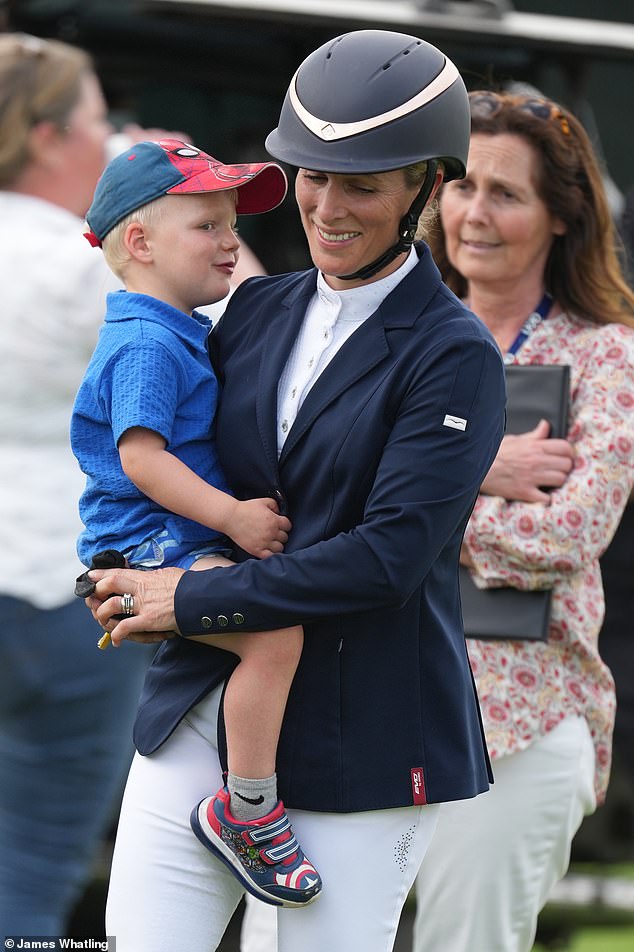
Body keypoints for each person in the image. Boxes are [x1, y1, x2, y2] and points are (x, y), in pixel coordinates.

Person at [84, 30, 507, 952]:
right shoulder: (249, 310)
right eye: (313, 173)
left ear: (427, 188)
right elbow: (165, 458)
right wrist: (128, 566)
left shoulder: (455, 355)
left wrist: (192, 594)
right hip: (207, 696)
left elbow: (389, 559)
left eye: (361, 182)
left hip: (369, 724)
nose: (325, 203)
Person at [407, 90, 634, 952]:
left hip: (516, 723)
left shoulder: (604, 353)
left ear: (560, 218)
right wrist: (479, 473)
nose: (474, 212)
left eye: (508, 193)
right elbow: (310, 502)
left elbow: (563, 539)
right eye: (462, 186)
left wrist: (408, 503)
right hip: (361, 702)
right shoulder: (390, 334)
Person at [71, 137, 323, 907]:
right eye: (207, 226)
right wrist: (236, 520)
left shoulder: (176, 326)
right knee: (274, 633)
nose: (230, 241)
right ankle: (246, 810)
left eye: (230, 225)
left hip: (175, 537)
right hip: (152, 542)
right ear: (140, 243)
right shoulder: (147, 340)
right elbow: (143, 459)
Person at [0, 31, 153, 937]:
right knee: (32, 859)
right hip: (63, 590)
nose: (112, 138)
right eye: (101, 122)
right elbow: (234, 352)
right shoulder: (83, 266)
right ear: (52, 137)